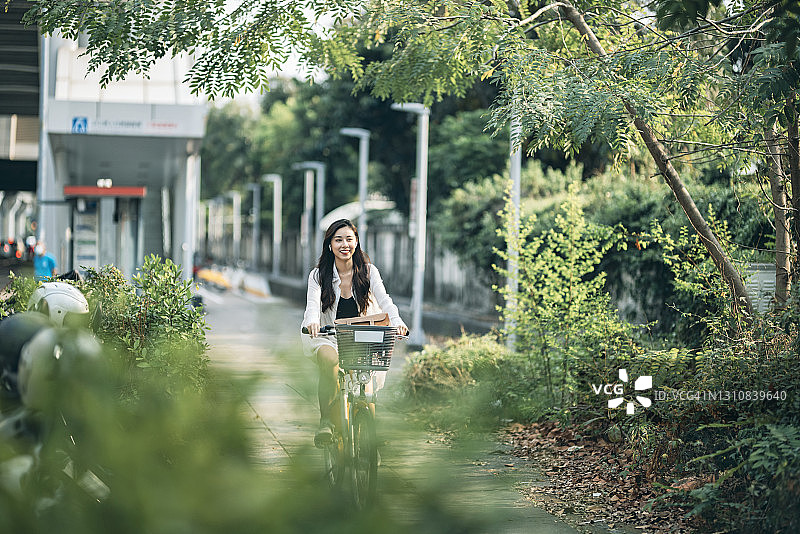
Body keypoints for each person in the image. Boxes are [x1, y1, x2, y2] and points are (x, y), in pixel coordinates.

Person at [301, 219, 408, 447]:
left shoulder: (369, 272)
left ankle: (370, 445)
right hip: (327, 335)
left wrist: (397, 321)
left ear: (357, 242)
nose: (344, 244)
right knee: (330, 360)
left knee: (366, 392)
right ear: (329, 245)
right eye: (338, 239)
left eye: (349, 239)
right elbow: (312, 304)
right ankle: (326, 423)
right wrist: (312, 321)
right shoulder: (318, 275)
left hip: (362, 338)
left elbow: (385, 301)